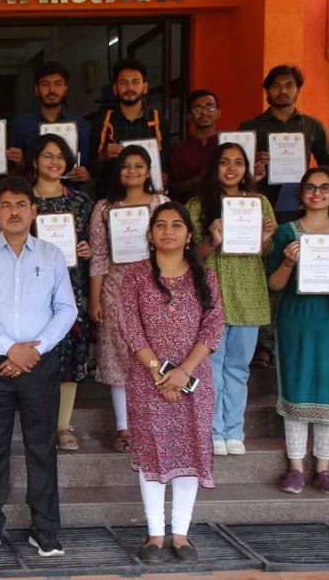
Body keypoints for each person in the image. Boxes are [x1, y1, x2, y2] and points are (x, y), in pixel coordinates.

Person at [0, 175, 77, 560]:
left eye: (21, 205)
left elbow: (66, 309)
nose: (14, 212)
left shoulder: (51, 255)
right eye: (6, 205)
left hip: (39, 365)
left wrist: (36, 350)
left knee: (41, 448)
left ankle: (45, 528)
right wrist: (10, 349)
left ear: (33, 210)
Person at [120, 202, 223, 564]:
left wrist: (183, 372)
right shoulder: (134, 275)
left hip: (193, 379)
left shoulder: (205, 276)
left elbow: (213, 327)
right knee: (152, 452)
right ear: (150, 234)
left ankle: (181, 534)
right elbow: (131, 328)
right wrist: (158, 372)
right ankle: (154, 534)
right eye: (160, 225)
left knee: (189, 450)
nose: (168, 231)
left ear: (189, 234)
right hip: (147, 378)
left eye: (176, 225)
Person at [266, 167, 329, 495]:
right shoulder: (286, 233)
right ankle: (295, 467)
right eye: (310, 187)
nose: (317, 193)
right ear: (300, 193)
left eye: (324, 188)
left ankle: (325, 468)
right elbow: (273, 283)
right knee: (298, 383)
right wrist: (288, 263)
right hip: (298, 316)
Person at [186, 142, 276, 455]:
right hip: (211, 294)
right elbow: (191, 256)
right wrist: (212, 239)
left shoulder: (259, 203)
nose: (232, 168)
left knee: (238, 367)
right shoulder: (198, 205)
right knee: (211, 366)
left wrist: (265, 240)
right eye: (225, 162)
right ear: (214, 167)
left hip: (248, 292)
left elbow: (265, 253)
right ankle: (212, 430)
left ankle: (234, 430)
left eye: (239, 162)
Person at [88, 145, 169, 453]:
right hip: (115, 289)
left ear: (149, 171)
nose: (132, 171)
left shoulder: (162, 203)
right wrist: (94, 299)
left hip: (156, 287)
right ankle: (124, 427)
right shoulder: (105, 208)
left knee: (154, 356)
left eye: (139, 165)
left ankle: (153, 423)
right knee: (119, 358)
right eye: (125, 166)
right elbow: (98, 256)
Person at [29, 134, 95, 451]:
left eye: (60, 156)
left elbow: (99, 246)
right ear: (34, 161)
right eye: (47, 155)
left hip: (72, 284)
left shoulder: (81, 202)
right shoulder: (22, 201)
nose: (55, 162)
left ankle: (62, 424)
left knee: (69, 351)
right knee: (39, 350)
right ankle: (38, 422)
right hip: (31, 286)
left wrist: (88, 249)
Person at [240, 65, 329, 220]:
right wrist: (252, 159)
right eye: (275, 86)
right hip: (260, 204)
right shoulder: (250, 127)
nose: (283, 91)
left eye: (289, 85)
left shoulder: (312, 125)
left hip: (300, 204)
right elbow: (236, 168)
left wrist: (313, 185)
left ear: (298, 90)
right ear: (267, 91)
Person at [89, 59, 170, 198]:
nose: (129, 88)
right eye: (123, 82)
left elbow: (166, 163)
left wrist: (159, 194)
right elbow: (90, 168)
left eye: (135, 82)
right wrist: (103, 156)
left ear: (145, 87)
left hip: (149, 197)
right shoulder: (103, 121)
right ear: (115, 89)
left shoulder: (158, 120)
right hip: (110, 198)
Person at [11, 62, 92, 186]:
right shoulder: (20, 126)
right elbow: (14, 173)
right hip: (33, 196)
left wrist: (87, 173)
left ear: (65, 89)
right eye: (45, 84)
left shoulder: (81, 126)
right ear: (37, 90)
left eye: (58, 84)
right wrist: (20, 164)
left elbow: (89, 165)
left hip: (71, 195)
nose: (52, 90)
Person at [168, 90, 221, 202]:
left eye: (209, 107)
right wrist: (196, 181)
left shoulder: (227, 144)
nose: (204, 113)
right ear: (189, 117)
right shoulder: (178, 149)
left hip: (223, 206)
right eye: (197, 109)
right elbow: (172, 188)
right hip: (188, 208)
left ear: (218, 112)